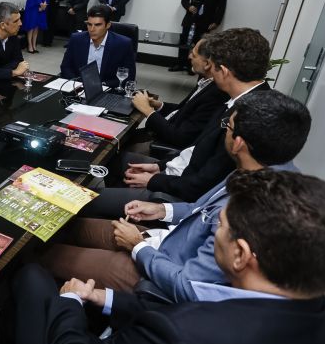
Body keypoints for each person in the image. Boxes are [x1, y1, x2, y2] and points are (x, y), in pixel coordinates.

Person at [0, 169, 325, 344]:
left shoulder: (182, 336)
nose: (215, 233)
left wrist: (72, 302)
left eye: (221, 228)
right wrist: (106, 298)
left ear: (242, 254)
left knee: (32, 277)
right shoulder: (317, 318)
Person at [42, 89, 311, 300]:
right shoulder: (260, 165)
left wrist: (138, 246)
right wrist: (162, 211)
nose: (224, 132)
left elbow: (188, 287)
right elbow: (201, 209)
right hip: (162, 240)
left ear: (239, 142)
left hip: (155, 274)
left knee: (45, 256)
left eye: (227, 127)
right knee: (68, 226)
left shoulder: (252, 213)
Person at [81, 28, 270, 216]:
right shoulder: (242, 99)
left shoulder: (245, 117)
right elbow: (197, 150)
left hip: (178, 196)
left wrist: (154, 180)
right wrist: (160, 166)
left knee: (83, 201)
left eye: (213, 65)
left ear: (224, 71)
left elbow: (200, 184)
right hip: (175, 171)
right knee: (112, 161)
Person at [130, 37, 229, 150]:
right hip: (161, 131)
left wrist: (148, 110)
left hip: (162, 143)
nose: (189, 56)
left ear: (207, 64)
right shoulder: (205, 81)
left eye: (194, 54)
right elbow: (185, 110)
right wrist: (158, 105)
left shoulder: (215, 95)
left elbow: (181, 138)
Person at [60, 4, 136, 88]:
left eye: (97, 25)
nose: (92, 29)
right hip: (79, 87)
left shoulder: (123, 44)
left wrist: (100, 86)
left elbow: (129, 76)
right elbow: (65, 67)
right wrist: (78, 83)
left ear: (108, 25)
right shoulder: (76, 39)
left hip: (107, 90)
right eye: (89, 24)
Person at [170, 0, 227, 72]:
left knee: (199, 46)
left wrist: (217, 22)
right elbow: (184, 0)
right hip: (190, 19)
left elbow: (222, 6)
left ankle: (192, 67)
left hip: (206, 21)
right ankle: (180, 64)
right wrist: (189, 7)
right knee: (183, 42)